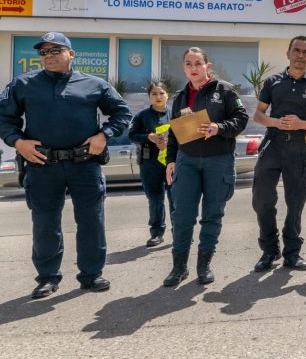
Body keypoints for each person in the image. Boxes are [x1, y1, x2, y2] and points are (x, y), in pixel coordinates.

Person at [0, 31, 131, 299]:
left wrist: (103, 135)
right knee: (45, 223)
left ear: (71, 54)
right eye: (44, 52)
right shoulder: (23, 84)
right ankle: (48, 278)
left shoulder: (94, 84)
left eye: (55, 51)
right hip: (42, 164)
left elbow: (122, 113)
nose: (48, 56)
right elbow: (4, 118)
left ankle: (91, 274)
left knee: (91, 221)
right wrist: (17, 142)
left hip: (85, 164)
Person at [163, 47, 248, 286]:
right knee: (182, 216)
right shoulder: (180, 97)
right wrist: (170, 160)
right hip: (187, 160)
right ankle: (179, 267)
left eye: (198, 63)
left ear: (207, 66)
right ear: (184, 67)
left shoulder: (225, 90)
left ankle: (204, 265)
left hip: (218, 160)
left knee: (212, 215)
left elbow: (241, 119)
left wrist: (218, 128)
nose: (193, 68)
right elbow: (174, 132)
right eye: (189, 64)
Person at [252, 36, 306, 272]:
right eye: (296, 50)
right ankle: (269, 249)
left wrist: (301, 124)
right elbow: (258, 115)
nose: (300, 55)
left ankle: (292, 252)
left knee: (296, 202)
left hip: (300, 148)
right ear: (287, 53)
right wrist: (275, 122)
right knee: (262, 199)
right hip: (273, 145)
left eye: (305, 52)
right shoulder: (272, 82)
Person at [129, 81, 174, 247]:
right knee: (155, 199)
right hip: (149, 163)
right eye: (154, 94)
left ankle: (180, 232)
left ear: (167, 95)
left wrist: (169, 142)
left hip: (172, 161)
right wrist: (148, 137)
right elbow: (132, 136)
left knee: (176, 197)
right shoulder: (142, 116)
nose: (158, 97)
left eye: (161, 93)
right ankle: (156, 233)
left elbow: (184, 135)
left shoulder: (175, 115)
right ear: (149, 97)